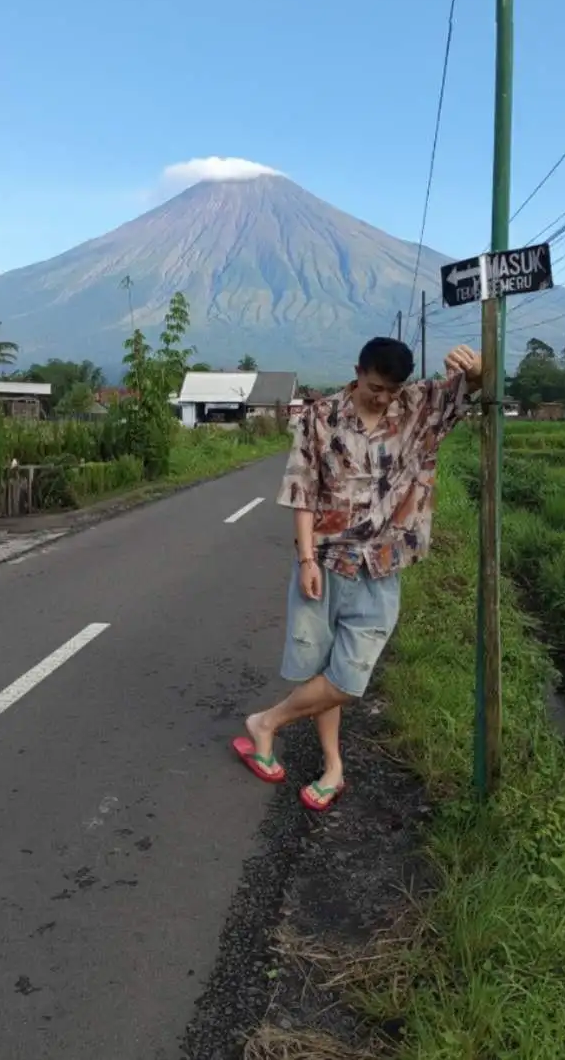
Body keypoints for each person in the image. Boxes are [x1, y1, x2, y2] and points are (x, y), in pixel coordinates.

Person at [232, 336, 482, 811]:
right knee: (322, 672)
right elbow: (303, 491)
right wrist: (306, 559)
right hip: (325, 565)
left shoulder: (417, 407)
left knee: (348, 681)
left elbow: (477, 384)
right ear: (357, 372)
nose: (383, 397)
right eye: (375, 387)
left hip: (382, 567)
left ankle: (264, 723)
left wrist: (476, 364)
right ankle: (333, 766)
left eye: (391, 389)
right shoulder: (319, 417)